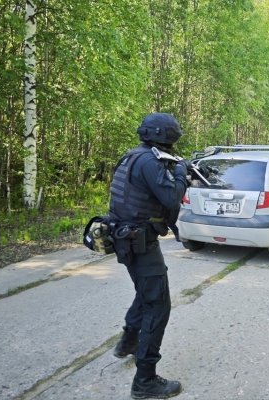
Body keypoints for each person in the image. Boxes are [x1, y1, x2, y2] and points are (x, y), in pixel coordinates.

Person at [109, 112, 188, 399]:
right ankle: (145, 381)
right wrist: (181, 173)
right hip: (138, 241)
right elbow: (171, 197)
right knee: (158, 305)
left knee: (146, 292)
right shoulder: (151, 161)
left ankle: (128, 342)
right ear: (168, 136)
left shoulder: (132, 156)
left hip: (124, 239)